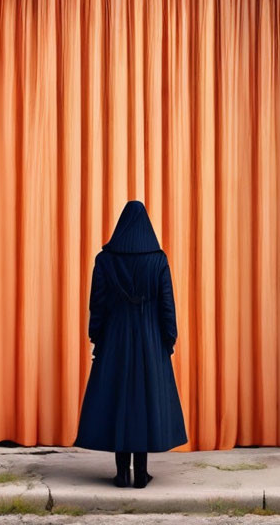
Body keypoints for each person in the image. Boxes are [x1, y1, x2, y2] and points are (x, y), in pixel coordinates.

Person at [74, 201, 188, 488]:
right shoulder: (158, 260)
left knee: (118, 400)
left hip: (115, 339)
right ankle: (142, 473)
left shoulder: (105, 260)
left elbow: (96, 305)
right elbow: (167, 306)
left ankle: (122, 473)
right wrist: (168, 340)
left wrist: (97, 337)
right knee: (144, 402)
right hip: (150, 340)